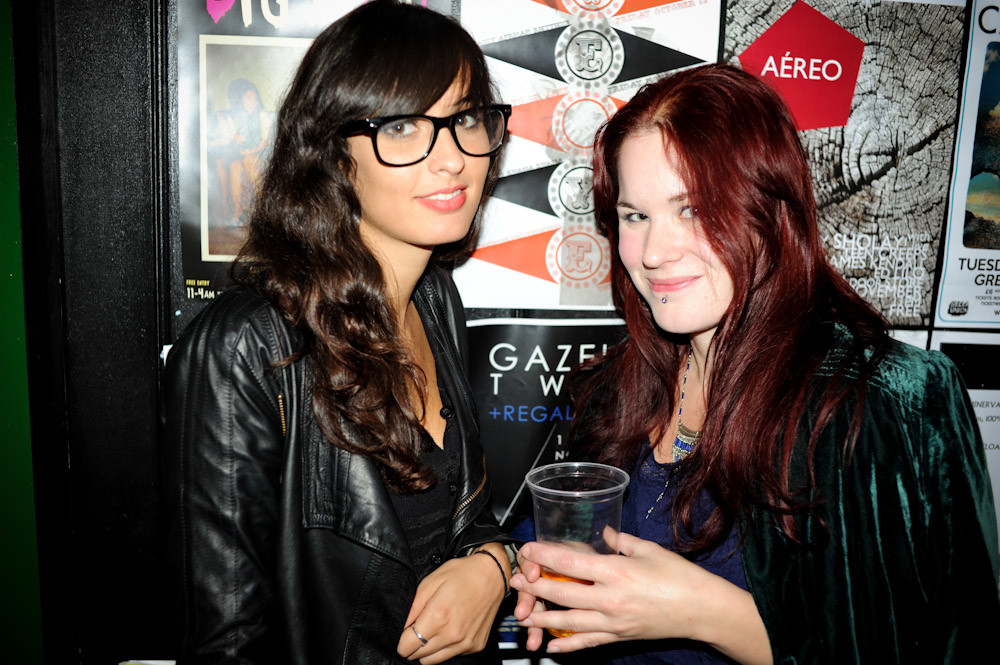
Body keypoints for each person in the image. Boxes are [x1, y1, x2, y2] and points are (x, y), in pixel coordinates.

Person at [510, 63, 1000, 665]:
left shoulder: (884, 404)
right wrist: (510, 565)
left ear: (771, 209)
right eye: (635, 216)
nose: (655, 252)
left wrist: (705, 612)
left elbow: (937, 645)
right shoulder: (618, 386)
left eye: (693, 209)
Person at [162, 2, 516, 663]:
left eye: (466, 118)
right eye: (403, 126)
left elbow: (461, 522)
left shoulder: (436, 300)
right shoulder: (246, 347)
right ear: (333, 155)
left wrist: (493, 565)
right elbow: (226, 641)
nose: (452, 159)